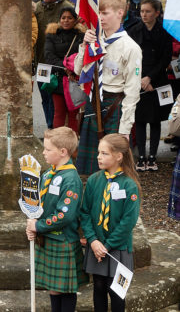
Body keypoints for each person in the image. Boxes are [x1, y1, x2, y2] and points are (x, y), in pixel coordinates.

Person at [74, 0, 141, 176]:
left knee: (115, 168)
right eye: (99, 13)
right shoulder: (95, 39)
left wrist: (125, 128)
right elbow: (78, 71)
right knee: (90, 169)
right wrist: (85, 46)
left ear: (120, 13)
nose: (100, 18)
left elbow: (133, 91)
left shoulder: (131, 48)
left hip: (115, 105)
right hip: (93, 101)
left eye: (105, 13)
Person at [25, 127, 88, 312]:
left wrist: (39, 226)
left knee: (65, 289)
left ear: (63, 152)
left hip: (63, 240)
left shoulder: (71, 179)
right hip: (47, 239)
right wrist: (31, 221)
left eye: (47, 149)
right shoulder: (48, 174)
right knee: (53, 288)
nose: (43, 152)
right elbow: (39, 203)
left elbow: (65, 215)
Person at [80, 133, 141, 312]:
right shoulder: (93, 181)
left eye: (104, 153)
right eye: (99, 152)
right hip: (96, 245)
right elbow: (85, 212)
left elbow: (128, 221)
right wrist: (93, 241)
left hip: (118, 248)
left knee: (116, 291)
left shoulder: (129, 185)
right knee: (98, 287)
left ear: (118, 156)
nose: (98, 156)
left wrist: (106, 245)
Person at [127, 0, 173, 172]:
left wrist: (150, 79)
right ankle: (141, 156)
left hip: (157, 80)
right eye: (142, 11)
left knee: (155, 119)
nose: (144, 15)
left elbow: (165, 58)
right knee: (139, 119)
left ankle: (152, 155)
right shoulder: (134, 31)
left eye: (148, 11)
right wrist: (140, 78)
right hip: (138, 79)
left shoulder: (164, 32)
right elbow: (130, 57)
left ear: (157, 13)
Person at [34, 0, 74, 129]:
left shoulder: (66, 6)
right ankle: (50, 126)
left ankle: (59, 128)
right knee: (45, 95)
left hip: (59, 65)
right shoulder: (38, 7)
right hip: (43, 63)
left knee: (56, 98)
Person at [44, 6, 85, 134]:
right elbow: (49, 56)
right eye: (63, 18)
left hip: (74, 79)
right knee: (59, 112)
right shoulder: (52, 35)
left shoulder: (81, 36)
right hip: (58, 79)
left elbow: (82, 55)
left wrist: (73, 70)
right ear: (59, 20)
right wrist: (66, 69)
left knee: (73, 113)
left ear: (75, 20)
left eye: (69, 18)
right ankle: (58, 141)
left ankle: (73, 144)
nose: (66, 21)